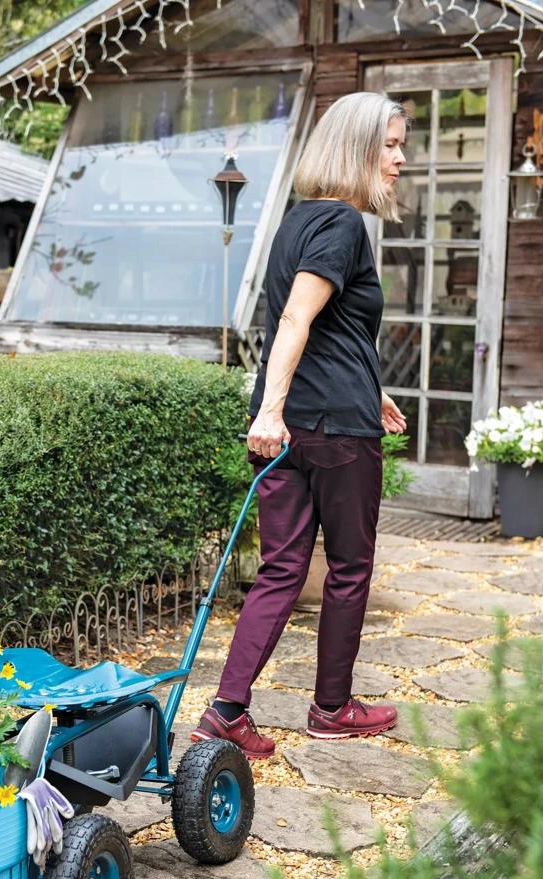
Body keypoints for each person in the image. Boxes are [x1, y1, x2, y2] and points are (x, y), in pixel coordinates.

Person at [193, 91, 408, 760]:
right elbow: (295, 322)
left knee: (282, 568)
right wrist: (271, 410)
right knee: (349, 567)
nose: (401, 160)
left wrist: (368, 393)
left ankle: (226, 712)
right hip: (328, 433)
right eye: (391, 146)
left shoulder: (297, 221)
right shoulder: (343, 226)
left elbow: (326, 329)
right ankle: (332, 708)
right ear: (357, 150)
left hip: (307, 423)